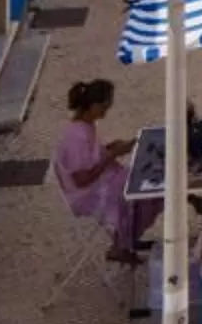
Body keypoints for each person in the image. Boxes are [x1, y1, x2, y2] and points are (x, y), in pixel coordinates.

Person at [54, 78, 155, 264]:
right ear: (92, 105)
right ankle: (120, 245)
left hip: (100, 178)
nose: (105, 112)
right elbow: (82, 179)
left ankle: (127, 238)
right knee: (143, 192)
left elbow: (90, 156)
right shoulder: (76, 135)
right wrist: (111, 156)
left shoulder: (85, 125)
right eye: (103, 107)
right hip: (87, 192)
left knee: (144, 184)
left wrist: (111, 149)